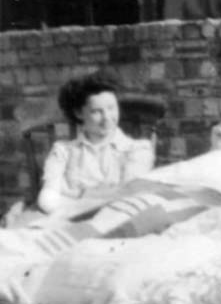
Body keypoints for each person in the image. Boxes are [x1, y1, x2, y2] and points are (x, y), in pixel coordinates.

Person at [36, 70, 155, 216]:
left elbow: (129, 195)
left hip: (118, 217)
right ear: (79, 113)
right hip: (66, 219)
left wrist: (76, 194)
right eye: (96, 111)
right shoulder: (63, 151)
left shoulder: (138, 150)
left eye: (111, 108)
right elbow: (49, 197)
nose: (107, 118)